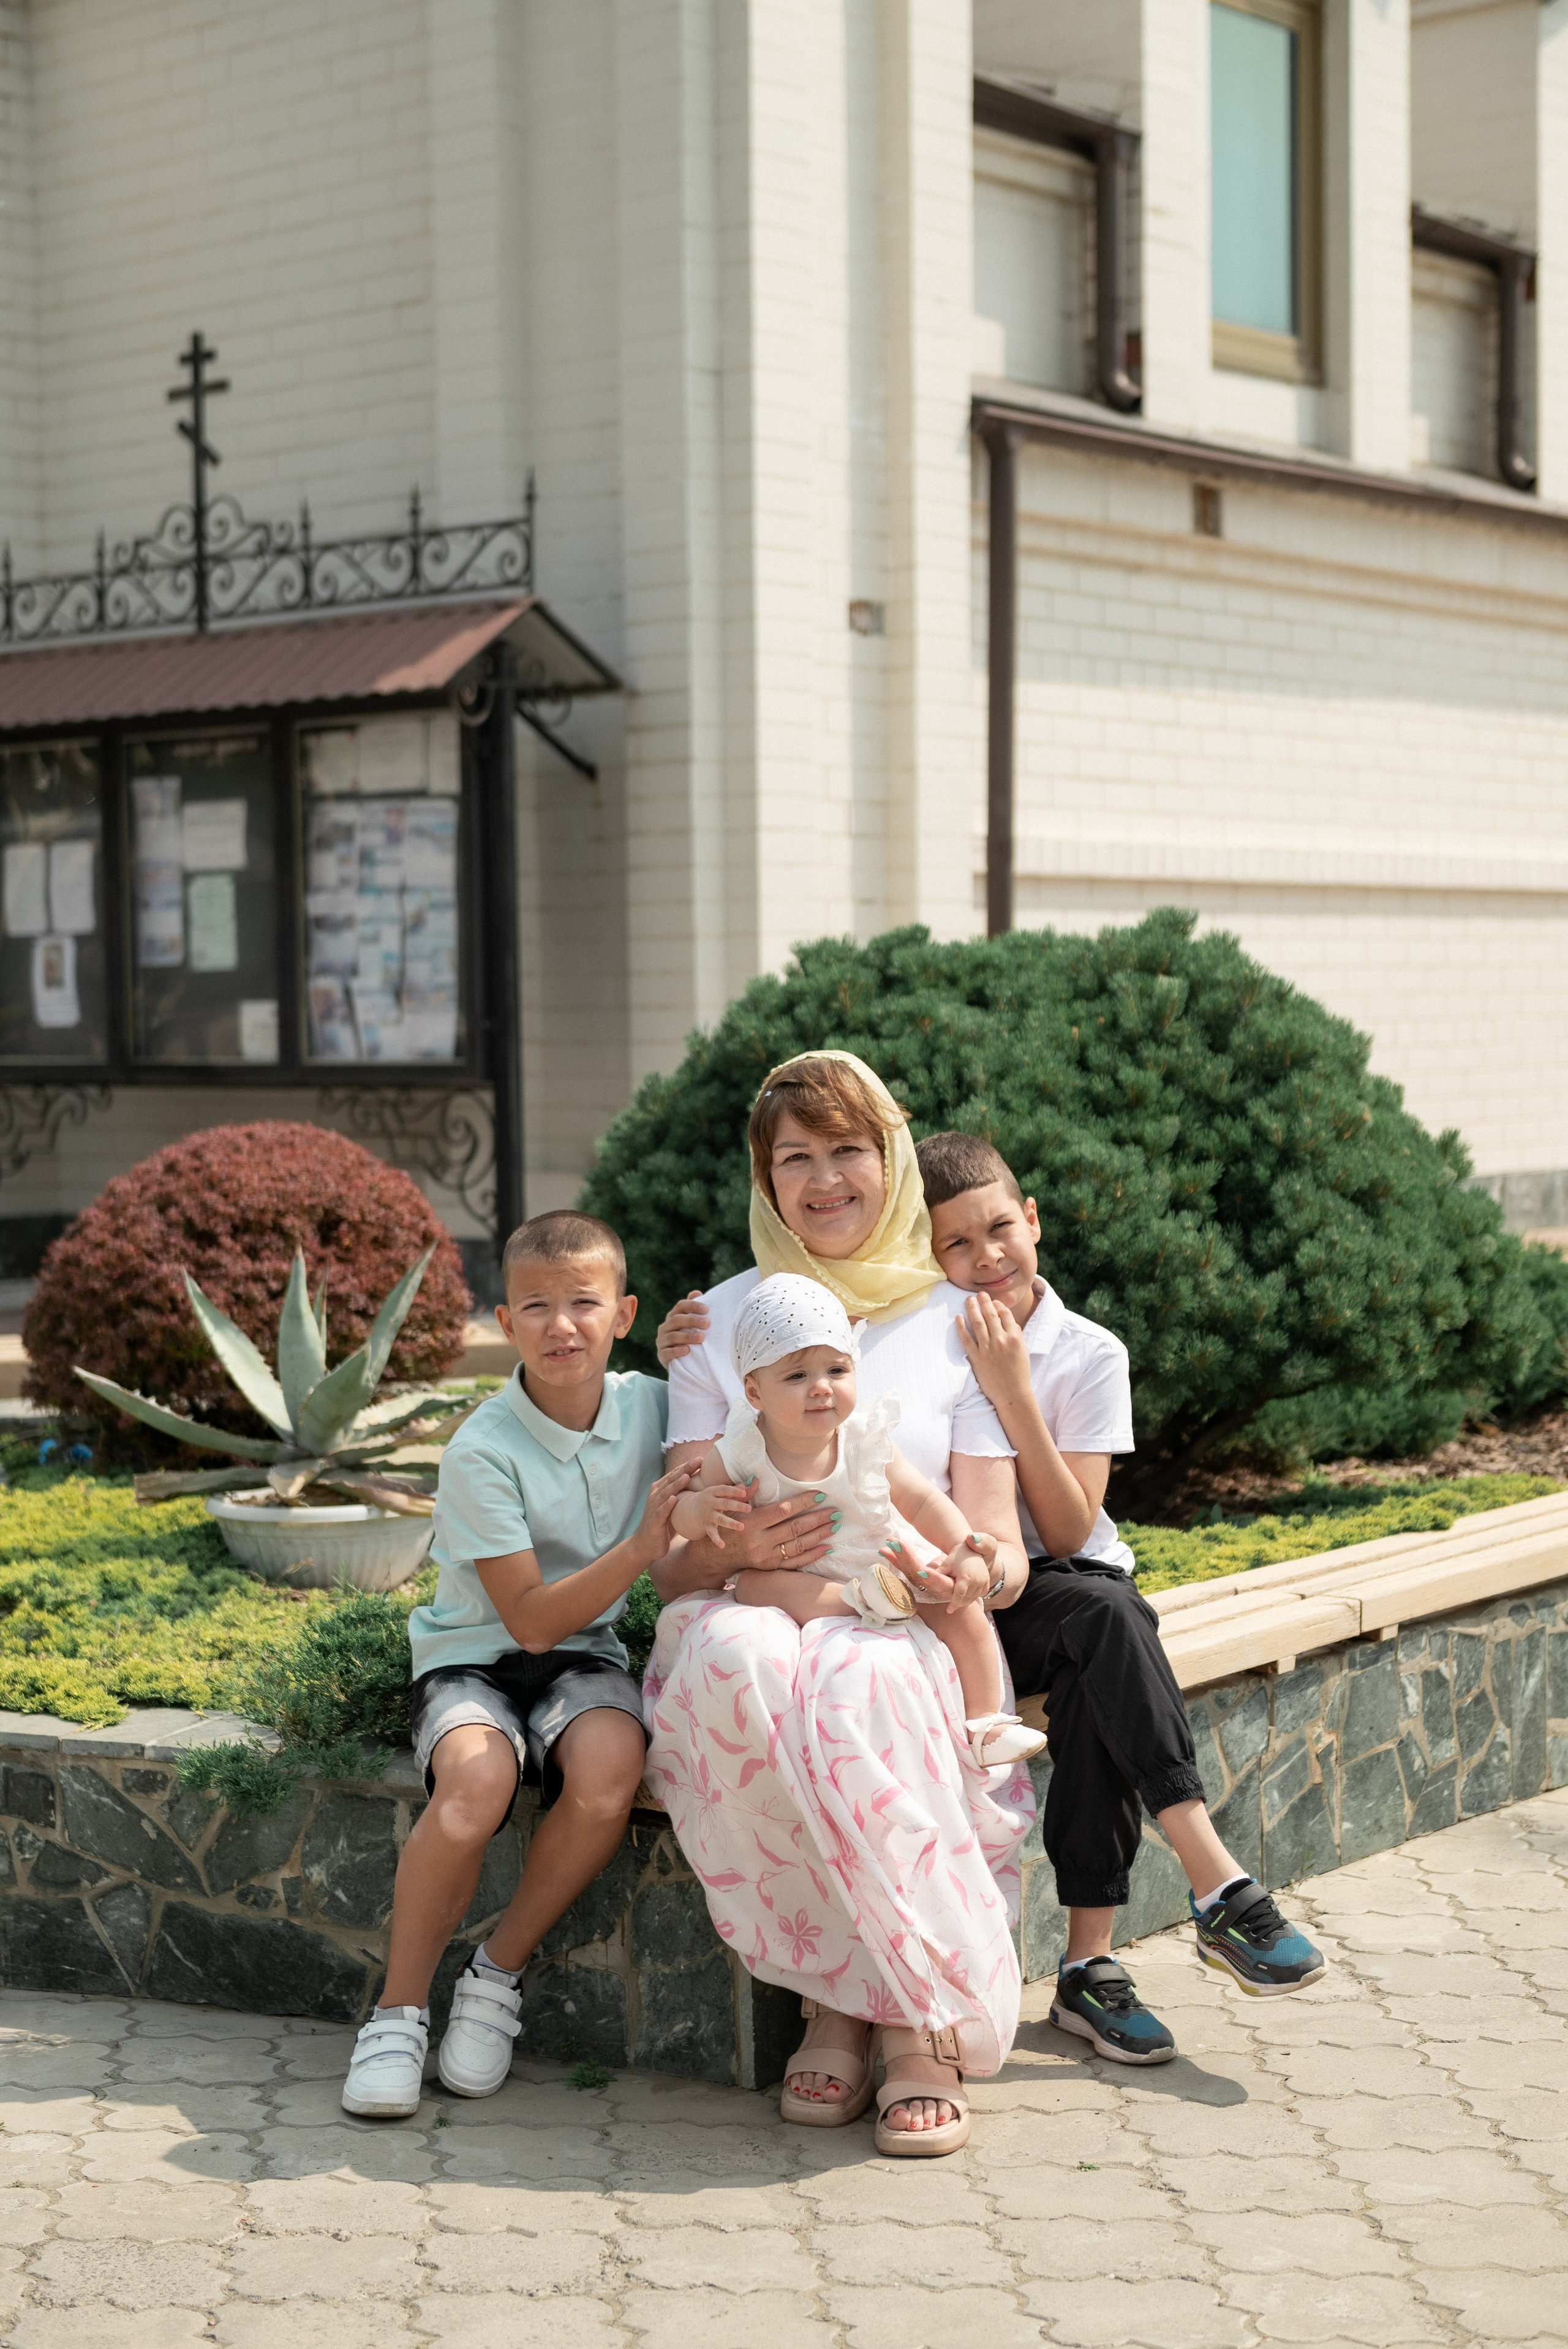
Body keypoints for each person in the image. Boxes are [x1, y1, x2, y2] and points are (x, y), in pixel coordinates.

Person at [647, 1050, 1033, 2157]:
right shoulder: (717, 1322)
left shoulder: (958, 1313)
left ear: (893, 1156)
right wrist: (723, 1545)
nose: (825, 1179)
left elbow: (994, 1540)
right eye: (795, 1158)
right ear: (765, 1179)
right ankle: (834, 1991)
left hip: (896, 1615)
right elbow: (678, 1556)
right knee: (744, 1663)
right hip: (758, 1607)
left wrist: (970, 1573)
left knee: (861, 1680)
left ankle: (916, 2011)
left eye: (849, 1150)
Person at [916, 1130, 1326, 2065]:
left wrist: (1015, 1388)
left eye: (997, 1230)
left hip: (1067, 1582)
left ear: (1034, 1220)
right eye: (955, 1245)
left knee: (1100, 1633)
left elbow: (1069, 1530)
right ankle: (1208, 1886)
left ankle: (1092, 1970)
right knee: (1107, 1625)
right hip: (972, 1603)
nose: (985, 1258)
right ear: (930, 1258)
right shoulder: (926, 1342)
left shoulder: (1092, 1351)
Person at [340, 1209, 693, 2119]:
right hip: (477, 1655)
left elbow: (757, 1383)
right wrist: (643, 1545)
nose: (561, 1324)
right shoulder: (480, 1451)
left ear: (624, 1314)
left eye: (585, 1302)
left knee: (613, 1770)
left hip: (588, 1654)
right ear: (506, 1322)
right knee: (473, 1785)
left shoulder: (654, 1403)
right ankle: (398, 2009)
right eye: (536, 1305)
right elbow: (531, 1623)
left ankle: (495, 1974)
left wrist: (700, 1341)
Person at [673, 1270, 1048, 1768]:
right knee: (755, 1589)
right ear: (755, 1392)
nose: (822, 1389)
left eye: (837, 1370)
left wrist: (966, 1548)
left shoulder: (864, 1437)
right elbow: (686, 1508)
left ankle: (987, 1724)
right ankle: (859, 1605)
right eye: (796, 1376)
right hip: (798, 1575)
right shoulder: (741, 1450)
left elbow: (921, 1502)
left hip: (883, 1565)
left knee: (961, 1612)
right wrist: (700, 1510)